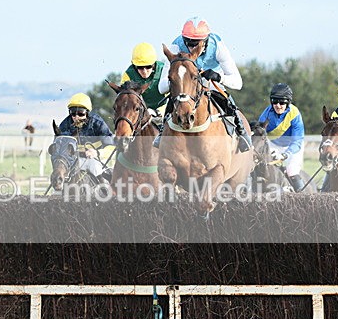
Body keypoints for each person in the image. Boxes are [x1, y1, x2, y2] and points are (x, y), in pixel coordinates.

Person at [156, 16, 251, 152]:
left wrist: (218, 77)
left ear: (205, 40)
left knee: (227, 100)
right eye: (188, 42)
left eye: (195, 43)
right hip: (187, 84)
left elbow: (238, 83)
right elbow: (161, 88)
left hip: (210, 82)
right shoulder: (176, 46)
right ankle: (162, 132)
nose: (191, 47)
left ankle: (241, 132)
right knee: (175, 98)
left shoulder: (217, 46)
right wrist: (176, 79)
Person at [257, 83, 306, 192]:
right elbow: (260, 137)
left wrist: (286, 154)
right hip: (274, 144)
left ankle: (302, 196)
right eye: (275, 101)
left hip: (293, 146)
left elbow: (297, 141)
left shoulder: (295, 114)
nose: (278, 105)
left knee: (291, 170)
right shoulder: (265, 115)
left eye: (282, 102)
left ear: (288, 102)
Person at [55, 93, 115, 181]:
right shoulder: (65, 125)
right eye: (73, 113)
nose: (76, 117)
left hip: (95, 159)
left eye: (80, 113)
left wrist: (97, 153)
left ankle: (105, 188)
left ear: (87, 113)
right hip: (74, 160)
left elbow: (111, 146)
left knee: (95, 167)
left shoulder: (98, 123)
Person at [120, 42, 168, 113]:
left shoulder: (164, 70)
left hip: (165, 111)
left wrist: (159, 111)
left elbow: (171, 95)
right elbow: (125, 100)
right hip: (141, 113)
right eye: (140, 67)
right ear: (134, 65)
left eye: (148, 67)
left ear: (154, 64)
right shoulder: (128, 75)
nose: (144, 71)